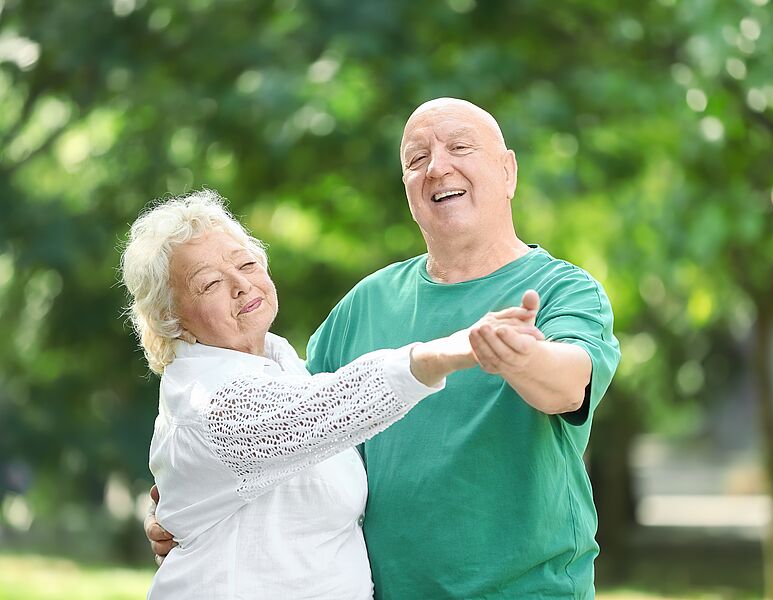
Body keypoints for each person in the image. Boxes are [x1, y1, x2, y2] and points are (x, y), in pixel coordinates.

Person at [149, 98, 621, 598]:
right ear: (409, 192)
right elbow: (293, 426)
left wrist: (521, 356)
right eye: (417, 160)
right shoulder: (365, 304)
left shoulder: (561, 288)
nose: (438, 167)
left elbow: (570, 386)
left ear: (507, 171)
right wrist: (179, 505)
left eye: (460, 147)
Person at [123, 190, 545, 599]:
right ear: (171, 319)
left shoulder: (288, 367)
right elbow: (323, 410)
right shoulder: (207, 403)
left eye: (246, 264)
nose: (240, 285)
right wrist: (444, 352)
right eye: (210, 283)